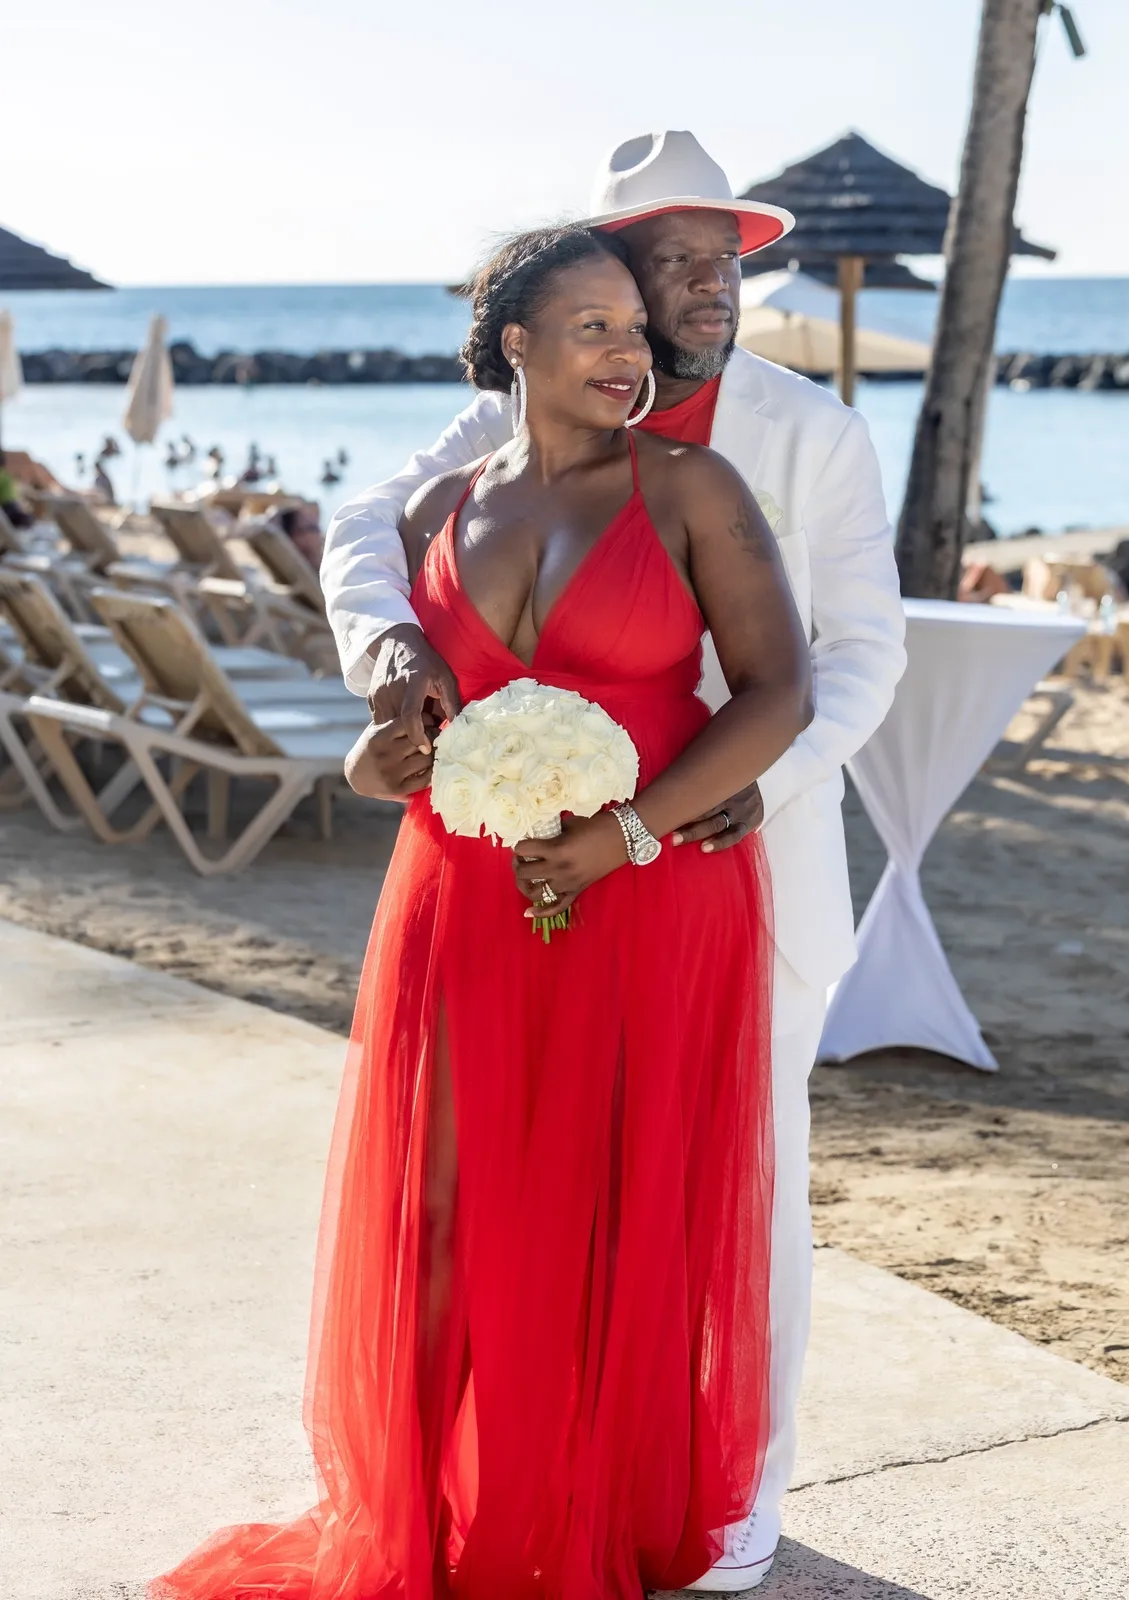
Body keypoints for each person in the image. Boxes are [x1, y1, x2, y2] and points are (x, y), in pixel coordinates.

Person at [153, 225, 812, 1599]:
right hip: (460, 898)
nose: (632, 355)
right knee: (448, 1209)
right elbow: (391, 745)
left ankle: (578, 1516)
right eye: (596, 329)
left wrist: (626, 836)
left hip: (644, 896)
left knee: (614, 1207)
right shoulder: (433, 514)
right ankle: (450, 1518)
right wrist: (373, 752)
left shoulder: (692, 486)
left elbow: (777, 694)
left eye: (638, 331)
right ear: (516, 345)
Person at [322, 131, 906, 1593]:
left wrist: (706, 805)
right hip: (483, 892)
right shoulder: (484, 447)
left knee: (719, 1198)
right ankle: (488, 1489)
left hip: (720, 861)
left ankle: (728, 1503)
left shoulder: (803, 434)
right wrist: (389, 666)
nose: (707, 290)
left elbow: (852, 659)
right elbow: (364, 542)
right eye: (675, 266)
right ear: (594, 280)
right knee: (484, 1198)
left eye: (723, 265)